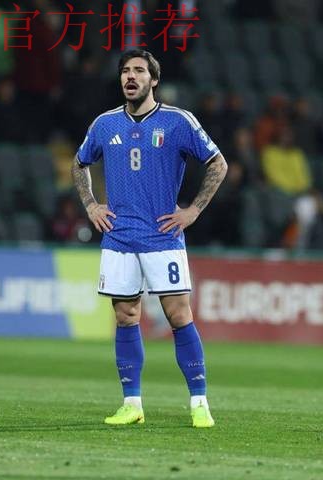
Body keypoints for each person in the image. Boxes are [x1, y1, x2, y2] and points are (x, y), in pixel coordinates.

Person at [72, 50, 227, 428]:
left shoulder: (177, 121)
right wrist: (91, 205)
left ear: (153, 80)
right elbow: (79, 164)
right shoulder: (105, 124)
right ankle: (132, 404)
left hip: (163, 235)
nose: (131, 76)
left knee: (178, 315)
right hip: (119, 236)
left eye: (139, 71)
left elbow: (218, 163)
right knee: (126, 316)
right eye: (125, 71)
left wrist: (192, 211)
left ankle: (199, 403)